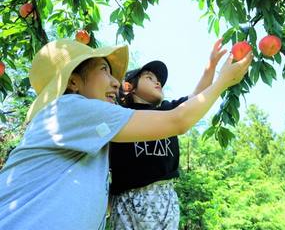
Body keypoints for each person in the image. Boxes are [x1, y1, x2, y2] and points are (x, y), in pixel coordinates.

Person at [0, 38, 252, 230]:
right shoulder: (68, 109)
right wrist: (222, 81)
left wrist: (210, 72)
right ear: (74, 82)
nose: (115, 82)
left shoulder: (90, 137)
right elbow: (179, 120)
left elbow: (185, 107)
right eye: (104, 70)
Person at [108, 39, 227, 230]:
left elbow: (198, 97)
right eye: (149, 77)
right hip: (127, 199)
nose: (157, 82)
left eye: (159, 80)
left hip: (164, 196)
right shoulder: (120, 113)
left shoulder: (167, 110)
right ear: (129, 86)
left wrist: (211, 66)